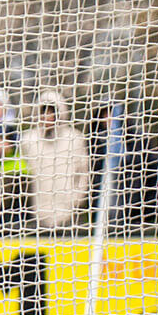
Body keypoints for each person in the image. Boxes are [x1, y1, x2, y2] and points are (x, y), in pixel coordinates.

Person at [17, 91, 91, 231]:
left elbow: (83, 172)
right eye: (44, 113)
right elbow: (24, 173)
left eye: (51, 113)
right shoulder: (28, 140)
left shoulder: (74, 138)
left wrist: (77, 198)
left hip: (68, 210)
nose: (47, 117)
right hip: (38, 210)